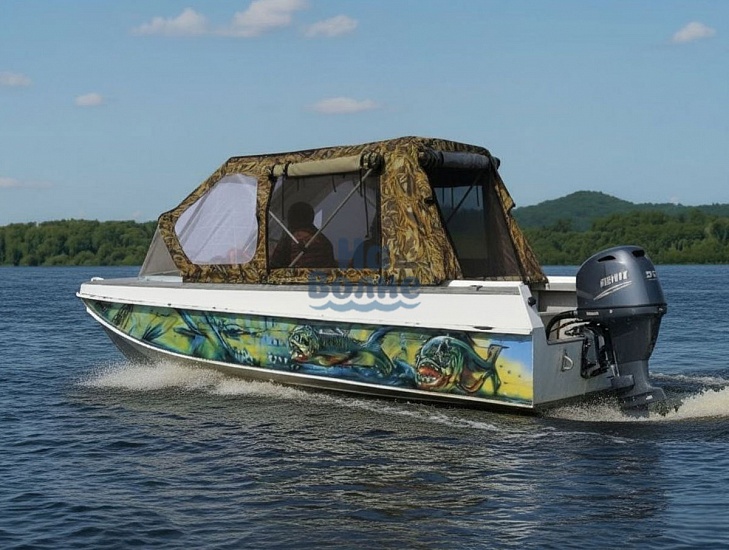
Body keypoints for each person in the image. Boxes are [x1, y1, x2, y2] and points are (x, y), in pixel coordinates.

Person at [270, 202, 337, 268]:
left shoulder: (289, 240)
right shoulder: (324, 241)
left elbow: (274, 266)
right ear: (311, 218)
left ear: (291, 219)